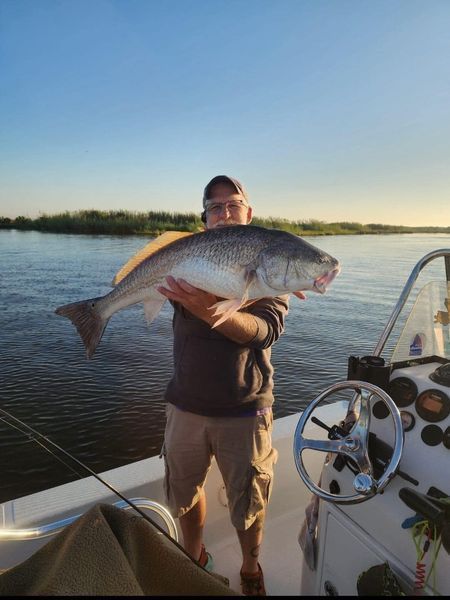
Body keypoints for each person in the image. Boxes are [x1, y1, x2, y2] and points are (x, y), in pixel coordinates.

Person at [157, 175, 290, 596]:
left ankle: (251, 566)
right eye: (215, 208)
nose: (224, 212)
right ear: (205, 221)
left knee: (249, 503)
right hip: (185, 405)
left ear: (249, 213)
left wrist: (209, 308)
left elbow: (264, 331)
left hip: (244, 408)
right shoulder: (187, 256)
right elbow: (157, 280)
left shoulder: (270, 260)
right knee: (184, 492)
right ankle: (192, 557)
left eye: (233, 204)